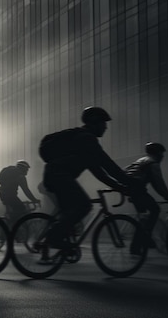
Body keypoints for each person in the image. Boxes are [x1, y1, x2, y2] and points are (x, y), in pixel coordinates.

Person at [41, 106, 136, 249]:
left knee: (69, 214)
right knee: (84, 206)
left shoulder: (83, 141)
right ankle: (53, 238)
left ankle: (54, 244)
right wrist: (129, 183)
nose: (106, 128)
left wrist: (119, 186)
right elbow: (108, 165)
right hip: (59, 176)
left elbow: (99, 172)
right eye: (103, 123)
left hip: (54, 175)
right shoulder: (87, 139)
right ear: (94, 122)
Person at [124, 142, 168, 248]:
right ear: (157, 153)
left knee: (143, 218)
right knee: (155, 209)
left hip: (131, 189)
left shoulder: (141, 160)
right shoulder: (152, 163)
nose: (163, 156)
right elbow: (158, 183)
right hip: (138, 189)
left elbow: (126, 170)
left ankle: (136, 246)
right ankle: (146, 237)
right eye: (162, 153)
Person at [0, 160, 40, 225]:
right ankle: (13, 227)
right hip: (10, 196)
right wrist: (34, 200)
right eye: (27, 169)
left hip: (3, 194)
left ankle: (11, 224)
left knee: (17, 209)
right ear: (23, 168)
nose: (27, 171)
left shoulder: (12, 172)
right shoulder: (20, 177)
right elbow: (26, 191)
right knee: (21, 209)